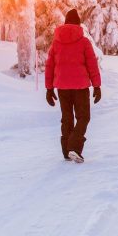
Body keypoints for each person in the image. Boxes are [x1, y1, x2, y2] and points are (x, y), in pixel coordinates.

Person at [45, 9, 102, 163]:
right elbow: (92, 65)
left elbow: (49, 66)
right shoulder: (84, 42)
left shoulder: (56, 43)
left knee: (67, 118)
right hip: (80, 87)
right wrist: (97, 86)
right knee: (83, 117)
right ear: (78, 24)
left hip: (62, 87)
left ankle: (66, 150)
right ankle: (74, 148)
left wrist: (49, 89)